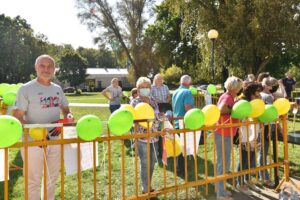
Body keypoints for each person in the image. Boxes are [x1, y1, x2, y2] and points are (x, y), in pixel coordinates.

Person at [13, 55, 72, 200]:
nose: (46, 69)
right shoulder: (25, 89)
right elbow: (17, 116)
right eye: (42, 66)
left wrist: (69, 116)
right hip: (33, 142)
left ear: (54, 69)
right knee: (33, 181)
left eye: (49, 66)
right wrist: (35, 131)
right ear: (36, 68)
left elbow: (66, 110)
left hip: (55, 139)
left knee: (51, 179)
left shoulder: (58, 89)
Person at [130, 77, 160, 195]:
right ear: (138, 89)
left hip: (154, 136)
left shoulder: (153, 101)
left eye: (147, 87)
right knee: (145, 163)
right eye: (142, 87)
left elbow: (156, 117)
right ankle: (145, 189)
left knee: (152, 162)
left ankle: (148, 185)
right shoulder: (135, 102)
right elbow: (134, 121)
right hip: (142, 138)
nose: (145, 89)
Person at [215, 76, 243, 200]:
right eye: (239, 87)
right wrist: (233, 109)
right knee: (223, 162)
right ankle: (220, 193)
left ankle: (221, 189)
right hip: (223, 132)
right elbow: (221, 110)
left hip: (226, 132)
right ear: (234, 88)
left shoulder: (230, 97)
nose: (240, 88)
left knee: (224, 161)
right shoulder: (227, 97)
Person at [235, 83, 262, 194]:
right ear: (252, 91)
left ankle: (248, 180)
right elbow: (239, 115)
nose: (259, 93)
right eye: (257, 91)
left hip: (254, 134)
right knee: (243, 159)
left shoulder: (255, 100)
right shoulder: (241, 101)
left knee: (251, 158)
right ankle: (239, 183)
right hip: (244, 134)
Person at [171, 75, 195, 176]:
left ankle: (180, 167)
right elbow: (188, 108)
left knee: (180, 147)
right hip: (185, 122)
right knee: (184, 147)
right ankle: (181, 169)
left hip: (176, 121)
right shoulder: (187, 92)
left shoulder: (175, 92)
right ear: (189, 83)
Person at [258, 77, 278, 187]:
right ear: (265, 85)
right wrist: (269, 128)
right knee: (263, 152)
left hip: (269, 126)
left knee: (264, 151)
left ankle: (263, 175)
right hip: (266, 127)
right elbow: (265, 114)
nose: (272, 86)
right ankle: (264, 177)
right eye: (271, 84)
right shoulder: (264, 96)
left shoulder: (269, 95)